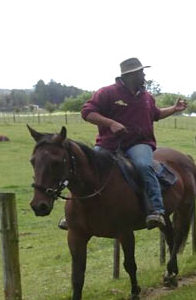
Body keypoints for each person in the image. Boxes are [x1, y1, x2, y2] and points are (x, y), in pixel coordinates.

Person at [73, 57, 188, 230]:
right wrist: (111, 123)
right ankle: (73, 213)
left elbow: (155, 114)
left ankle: (156, 210)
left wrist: (173, 109)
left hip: (139, 143)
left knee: (143, 165)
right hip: (109, 144)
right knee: (87, 167)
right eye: (142, 72)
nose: (144, 75)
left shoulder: (147, 97)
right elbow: (87, 112)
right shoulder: (107, 93)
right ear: (132, 75)